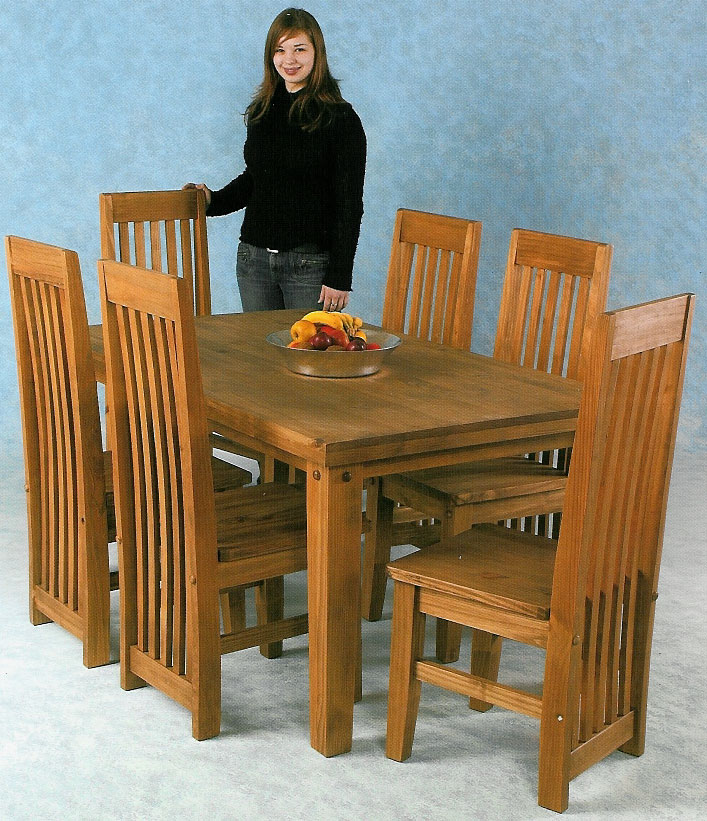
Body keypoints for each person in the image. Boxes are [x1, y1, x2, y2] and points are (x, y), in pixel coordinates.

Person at [185, 8, 366, 313]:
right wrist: (211, 201)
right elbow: (255, 179)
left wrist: (340, 274)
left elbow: (349, 204)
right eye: (280, 50)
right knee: (259, 359)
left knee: (308, 358)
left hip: (309, 267)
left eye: (299, 49)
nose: (289, 59)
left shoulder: (341, 118)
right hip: (253, 262)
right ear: (271, 56)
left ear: (316, 53)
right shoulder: (262, 110)